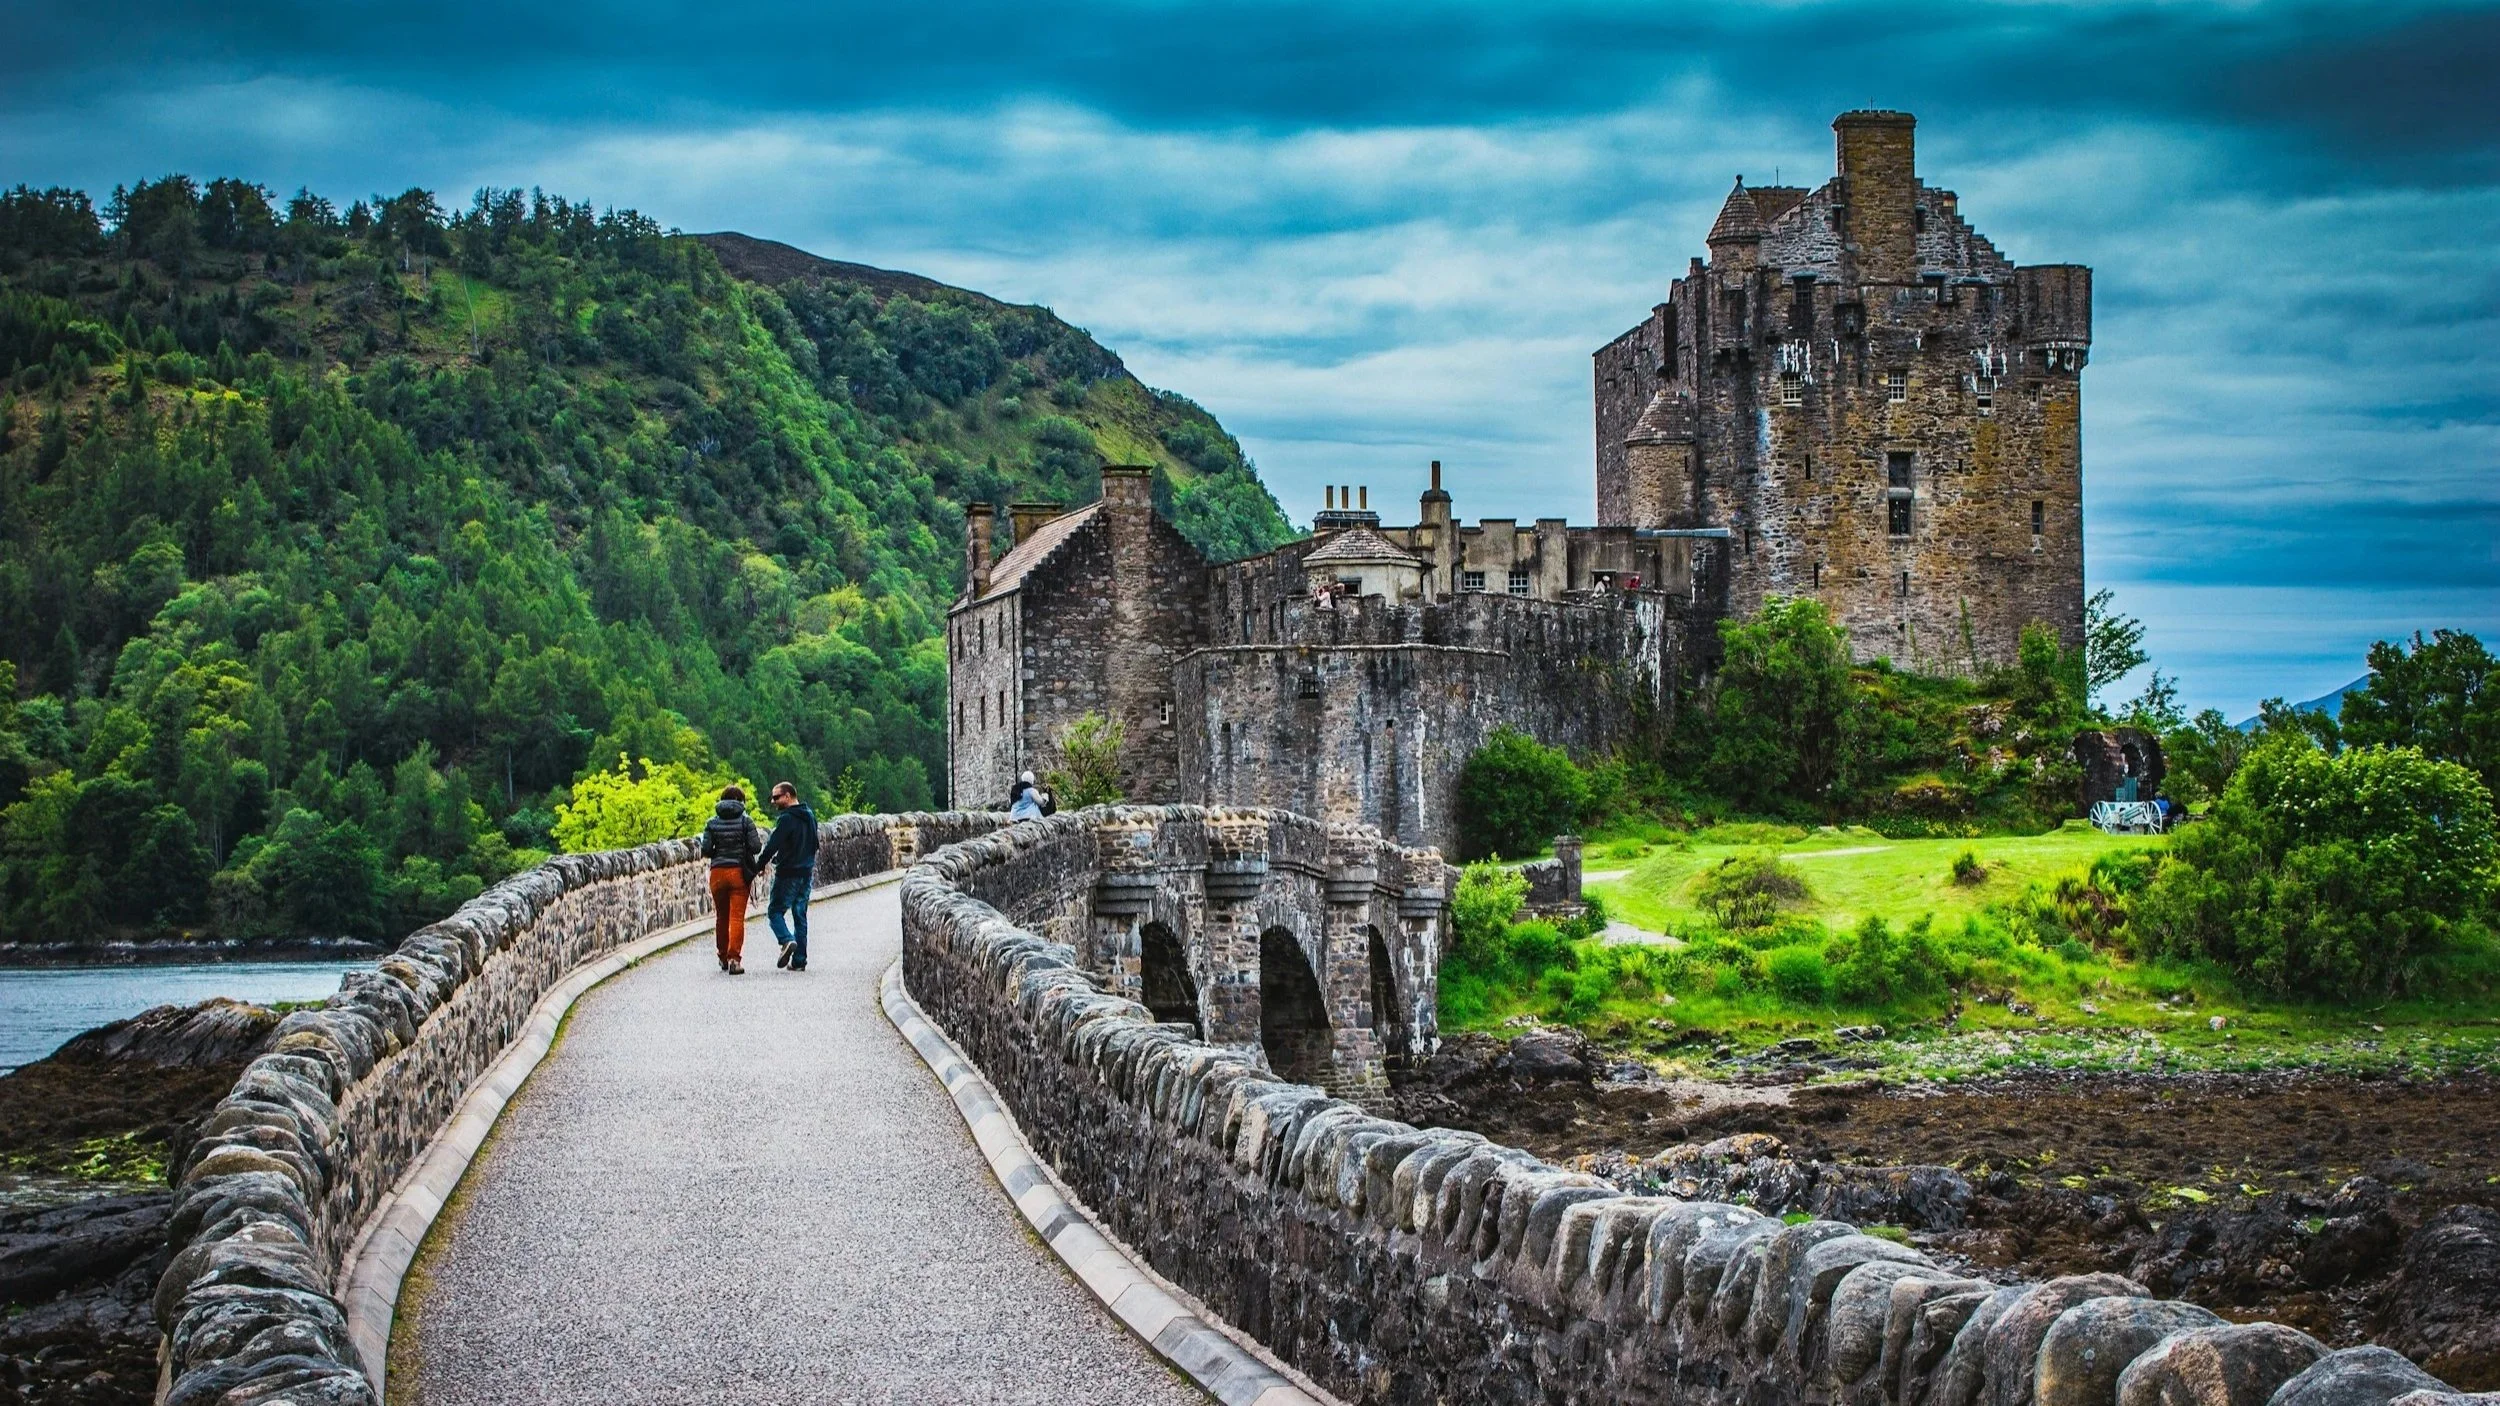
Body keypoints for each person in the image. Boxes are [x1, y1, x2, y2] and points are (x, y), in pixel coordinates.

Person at [698, 785, 763, 974]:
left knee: (721, 917)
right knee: (736, 917)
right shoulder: (746, 821)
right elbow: (756, 846)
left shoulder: (712, 823)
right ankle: (734, 958)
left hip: (718, 872)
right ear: (740, 801)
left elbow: (706, 850)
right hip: (738, 872)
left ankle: (722, 956)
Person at [756, 781, 817, 971]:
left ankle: (786, 940)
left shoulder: (787, 819)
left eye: (777, 797)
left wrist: (759, 865)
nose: (774, 802)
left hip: (788, 874)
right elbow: (815, 843)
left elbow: (773, 844)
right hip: (806, 873)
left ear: (788, 796)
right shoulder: (809, 815)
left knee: (775, 911)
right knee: (800, 916)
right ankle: (799, 961)